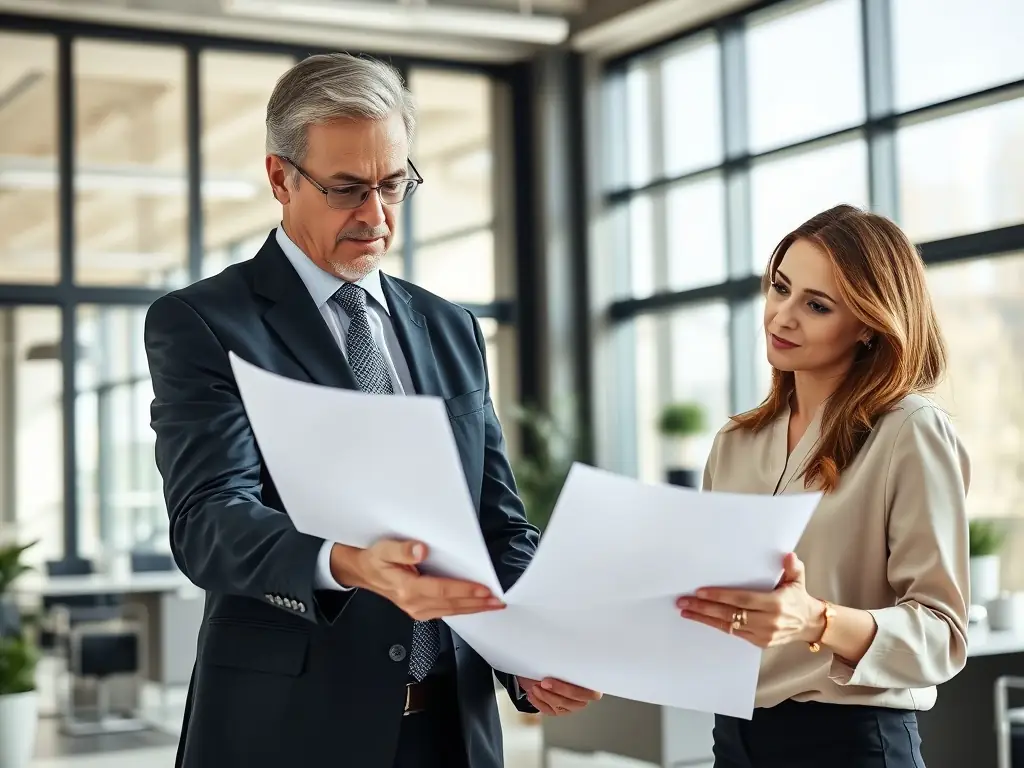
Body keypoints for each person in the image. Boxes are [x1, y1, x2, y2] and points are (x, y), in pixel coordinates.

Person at [144, 52, 600, 768]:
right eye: (347, 188)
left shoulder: (449, 327)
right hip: (288, 729)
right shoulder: (205, 323)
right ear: (279, 178)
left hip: (452, 727)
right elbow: (209, 521)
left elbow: (497, 521)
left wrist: (530, 651)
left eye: (394, 185)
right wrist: (347, 563)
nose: (376, 216)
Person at [677, 204, 970, 768]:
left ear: (867, 324)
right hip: (736, 739)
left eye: (816, 305)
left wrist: (816, 620)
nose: (782, 316)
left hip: (851, 741)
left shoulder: (908, 430)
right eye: (780, 288)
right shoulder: (735, 443)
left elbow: (944, 635)